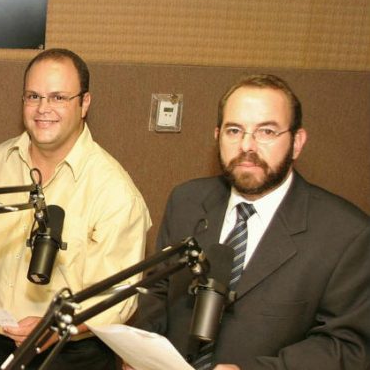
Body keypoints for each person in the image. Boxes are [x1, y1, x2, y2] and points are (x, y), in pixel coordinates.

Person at [130, 74, 370, 369]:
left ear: (297, 142)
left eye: (266, 131)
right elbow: (157, 290)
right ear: (217, 136)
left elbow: (346, 346)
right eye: (234, 130)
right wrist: (142, 350)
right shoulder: (186, 201)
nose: (247, 145)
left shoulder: (347, 234)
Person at [0, 48, 152, 370]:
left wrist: (55, 325)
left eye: (58, 97)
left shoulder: (115, 191)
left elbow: (118, 298)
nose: (43, 109)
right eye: (33, 96)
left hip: (70, 353)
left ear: (84, 103)